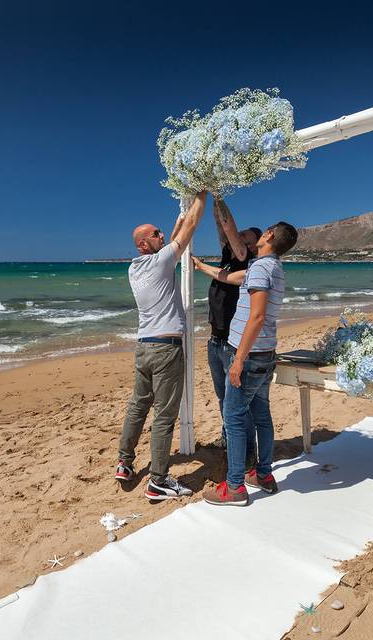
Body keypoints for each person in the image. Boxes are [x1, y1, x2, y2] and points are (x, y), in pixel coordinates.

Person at [115, 192, 207, 501]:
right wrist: (202, 193)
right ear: (144, 243)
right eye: (156, 234)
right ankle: (158, 481)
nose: (162, 235)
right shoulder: (160, 263)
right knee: (164, 415)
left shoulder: (136, 268)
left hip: (144, 347)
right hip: (166, 349)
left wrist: (176, 222)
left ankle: (125, 463)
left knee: (137, 406)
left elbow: (169, 244)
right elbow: (191, 226)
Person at [202, 221, 298, 507]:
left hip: (250, 356)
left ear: (268, 236)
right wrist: (199, 266)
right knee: (261, 416)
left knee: (233, 419)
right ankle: (263, 475)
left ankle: (234, 488)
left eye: (264, 230)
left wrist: (239, 359)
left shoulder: (261, 268)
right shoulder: (273, 268)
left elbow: (256, 317)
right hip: (266, 353)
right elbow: (231, 278)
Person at [194, 197, 261, 463]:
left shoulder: (246, 261)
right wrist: (212, 196)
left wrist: (220, 196)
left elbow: (228, 227)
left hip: (231, 344)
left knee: (236, 403)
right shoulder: (228, 256)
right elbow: (221, 226)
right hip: (215, 340)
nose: (239, 234)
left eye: (246, 235)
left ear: (251, 245)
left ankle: (245, 452)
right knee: (223, 397)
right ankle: (228, 438)